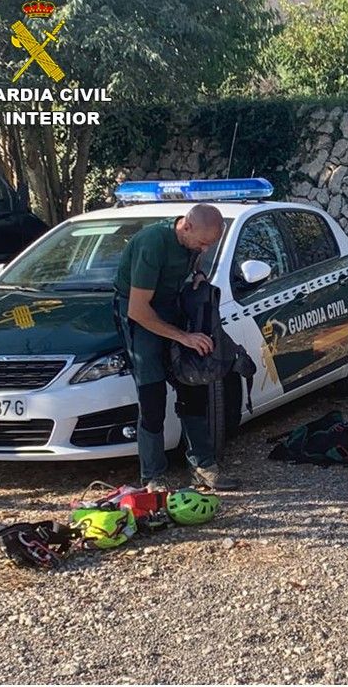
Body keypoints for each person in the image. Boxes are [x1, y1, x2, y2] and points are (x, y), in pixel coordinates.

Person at [113, 203, 238, 492]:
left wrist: (199, 275)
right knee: (152, 396)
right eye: (203, 243)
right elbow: (139, 310)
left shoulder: (192, 240)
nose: (205, 249)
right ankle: (153, 477)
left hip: (173, 307)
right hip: (142, 316)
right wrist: (183, 337)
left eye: (210, 245)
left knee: (193, 386)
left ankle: (203, 466)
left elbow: (192, 261)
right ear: (186, 226)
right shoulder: (152, 244)